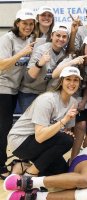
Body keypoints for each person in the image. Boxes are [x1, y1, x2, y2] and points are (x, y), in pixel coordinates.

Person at [7, 66, 80, 177]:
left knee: (60, 170)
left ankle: (22, 165)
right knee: (67, 140)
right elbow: (40, 137)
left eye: (76, 80)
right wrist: (64, 121)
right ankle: (30, 173)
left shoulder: (73, 102)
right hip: (20, 141)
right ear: (61, 81)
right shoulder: (47, 100)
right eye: (68, 79)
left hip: (40, 142)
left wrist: (66, 131)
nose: (72, 83)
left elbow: (63, 131)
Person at [52, 34, 87, 160]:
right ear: (84, 46)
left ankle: (73, 160)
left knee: (82, 126)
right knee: (62, 131)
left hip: (77, 100)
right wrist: (72, 62)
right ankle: (54, 159)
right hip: (59, 98)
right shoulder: (73, 57)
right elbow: (55, 74)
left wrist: (84, 101)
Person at [0, 8, 36, 180]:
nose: (28, 27)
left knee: (7, 129)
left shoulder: (30, 39)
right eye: (24, 24)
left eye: (30, 24)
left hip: (15, 90)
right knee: (3, 129)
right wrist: (22, 53)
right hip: (2, 88)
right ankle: (0, 166)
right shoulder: (7, 39)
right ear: (17, 24)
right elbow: (1, 65)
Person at [18, 23, 69, 112]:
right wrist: (39, 63)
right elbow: (28, 78)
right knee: (29, 123)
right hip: (29, 92)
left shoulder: (64, 55)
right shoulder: (41, 50)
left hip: (46, 94)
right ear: (52, 36)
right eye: (58, 35)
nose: (61, 39)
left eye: (64, 37)